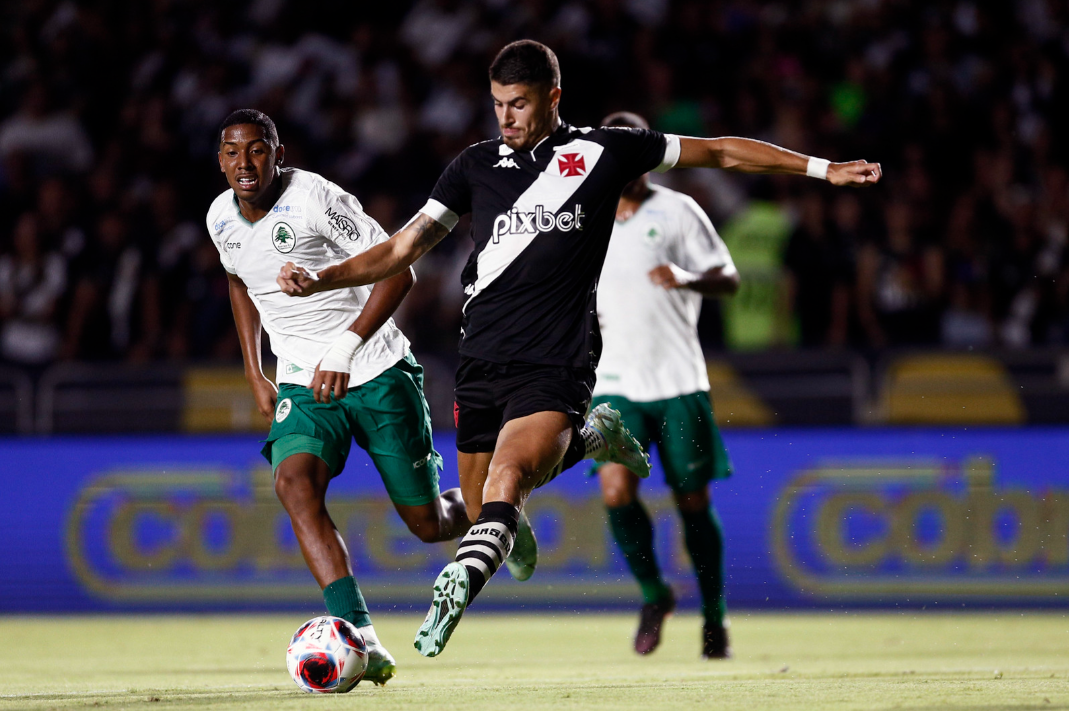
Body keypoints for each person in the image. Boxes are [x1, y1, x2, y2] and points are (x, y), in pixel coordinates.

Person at [276, 40, 882, 658]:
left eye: (518, 104)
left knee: (508, 481)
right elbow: (401, 249)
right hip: (480, 362)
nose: (506, 118)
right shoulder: (473, 166)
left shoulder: (603, 151)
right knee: (486, 499)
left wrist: (821, 168)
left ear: (553, 97)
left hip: (556, 361)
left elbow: (720, 151)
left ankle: (462, 582)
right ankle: (593, 440)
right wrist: (323, 278)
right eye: (497, 105)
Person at [207, 108, 478, 685]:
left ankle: (499, 513)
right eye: (232, 152)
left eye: (257, 150)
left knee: (428, 525)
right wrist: (255, 368)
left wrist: (347, 347)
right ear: (220, 159)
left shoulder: (315, 200)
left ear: (278, 152)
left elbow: (399, 271)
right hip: (305, 381)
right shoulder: (219, 218)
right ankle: (364, 639)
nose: (244, 163)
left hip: (375, 368)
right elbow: (238, 278)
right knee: (293, 483)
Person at [592, 111, 739, 659]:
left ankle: (715, 617)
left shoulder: (679, 211)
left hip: (678, 381)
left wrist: (685, 276)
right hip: (613, 384)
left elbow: (729, 279)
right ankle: (655, 595)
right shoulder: (586, 215)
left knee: (692, 499)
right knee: (614, 488)